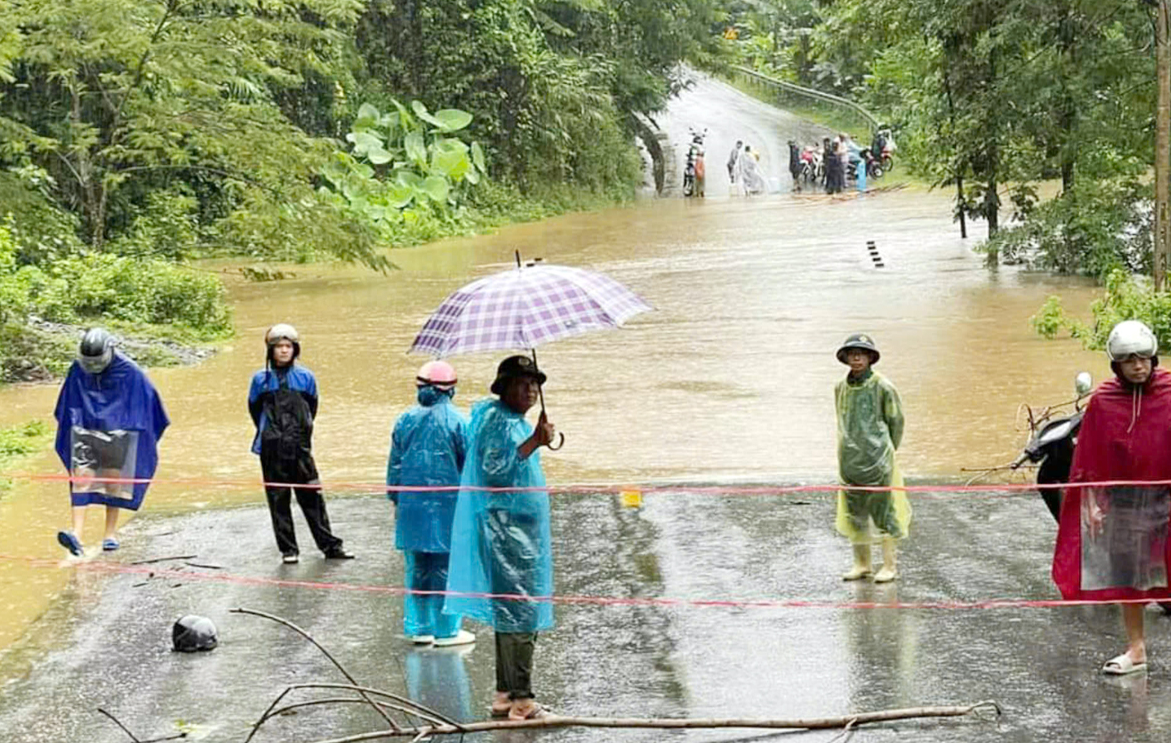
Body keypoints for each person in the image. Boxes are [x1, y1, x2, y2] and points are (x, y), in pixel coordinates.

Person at [1052, 320, 1171, 675]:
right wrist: (1092, 504)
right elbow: (1088, 458)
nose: (1138, 366)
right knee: (1128, 576)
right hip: (1125, 502)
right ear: (1116, 365)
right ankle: (1136, 649)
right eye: (1128, 360)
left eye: (1143, 358)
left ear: (1154, 358)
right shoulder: (1103, 401)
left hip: (1167, 495)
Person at [444, 355, 557, 721]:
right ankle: (522, 699)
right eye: (522, 384)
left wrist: (533, 438)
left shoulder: (509, 421)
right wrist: (534, 443)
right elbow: (495, 473)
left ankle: (505, 695)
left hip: (518, 532)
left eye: (534, 384)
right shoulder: (497, 421)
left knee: (511, 612)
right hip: (507, 536)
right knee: (521, 613)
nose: (530, 391)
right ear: (503, 387)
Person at [53, 328, 169, 556]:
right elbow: (67, 401)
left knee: (113, 482)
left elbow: (149, 403)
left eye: (98, 361)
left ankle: (110, 534)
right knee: (81, 478)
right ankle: (76, 534)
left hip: (118, 433)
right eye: (90, 362)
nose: (94, 367)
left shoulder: (130, 371)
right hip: (85, 431)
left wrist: (137, 430)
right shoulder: (78, 369)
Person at [248, 324, 353, 564]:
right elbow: (254, 410)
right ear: (270, 350)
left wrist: (300, 434)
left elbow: (312, 408)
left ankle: (330, 546)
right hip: (272, 449)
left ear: (295, 350)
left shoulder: (306, 377)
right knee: (278, 499)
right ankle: (289, 550)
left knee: (312, 497)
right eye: (279, 347)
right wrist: (271, 433)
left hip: (301, 448)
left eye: (288, 347)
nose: (284, 351)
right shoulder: (260, 379)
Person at [387, 360, 474, 647]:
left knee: (417, 567)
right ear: (451, 389)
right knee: (447, 569)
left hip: (411, 507)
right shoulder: (460, 422)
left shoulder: (404, 420)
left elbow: (394, 467)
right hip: (449, 508)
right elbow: (471, 468)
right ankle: (446, 630)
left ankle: (419, 626)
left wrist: (395, 499)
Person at [834, 334, 909, 583]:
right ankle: (862, 563)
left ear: (869, 358)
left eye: (861, 354)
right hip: (849, 459)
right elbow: (841, 422)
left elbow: (896, 421)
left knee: (884, 511)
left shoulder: (883, 386)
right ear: (845, 358)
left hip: (878, 459)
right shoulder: (840, 388)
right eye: (852, 354)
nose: (856, 358)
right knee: (854, 513)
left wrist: (886, 450)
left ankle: (889, 565)